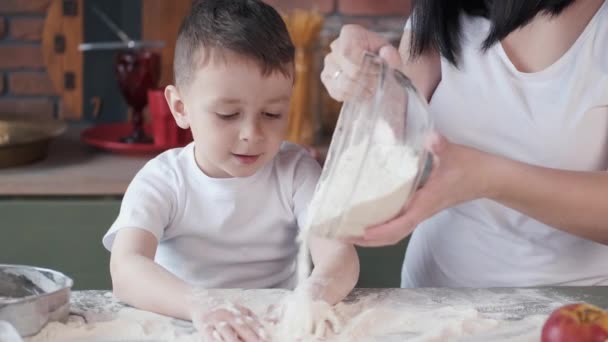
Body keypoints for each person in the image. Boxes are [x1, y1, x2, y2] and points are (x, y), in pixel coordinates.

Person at [102, 0, 359, 341]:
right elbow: (126, 268)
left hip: (274, 328)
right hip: (184, 325)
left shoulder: (296, 171)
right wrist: (200, 305)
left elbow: (340, 255)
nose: (251, 133)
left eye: (272, 114)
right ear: (181, 108)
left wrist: (311, 297)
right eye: (227, 114)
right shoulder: (164, 180)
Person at [322, 0, 608, 288]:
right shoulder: (442, 10)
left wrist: (487, 178)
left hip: (570, 314)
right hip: (430, 301)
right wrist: (368, 78)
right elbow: (399, 138)